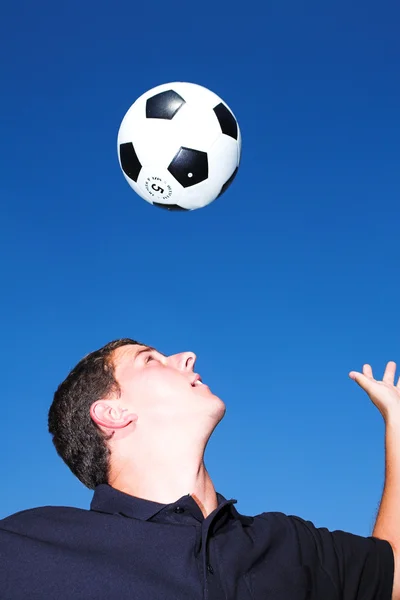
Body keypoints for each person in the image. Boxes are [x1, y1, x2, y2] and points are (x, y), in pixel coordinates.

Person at [1, 337, 399, 599]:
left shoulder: (289, 542)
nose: (186, 356)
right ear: (112, 412)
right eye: (150, 359)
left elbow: (393, 573)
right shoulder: (26, 547)